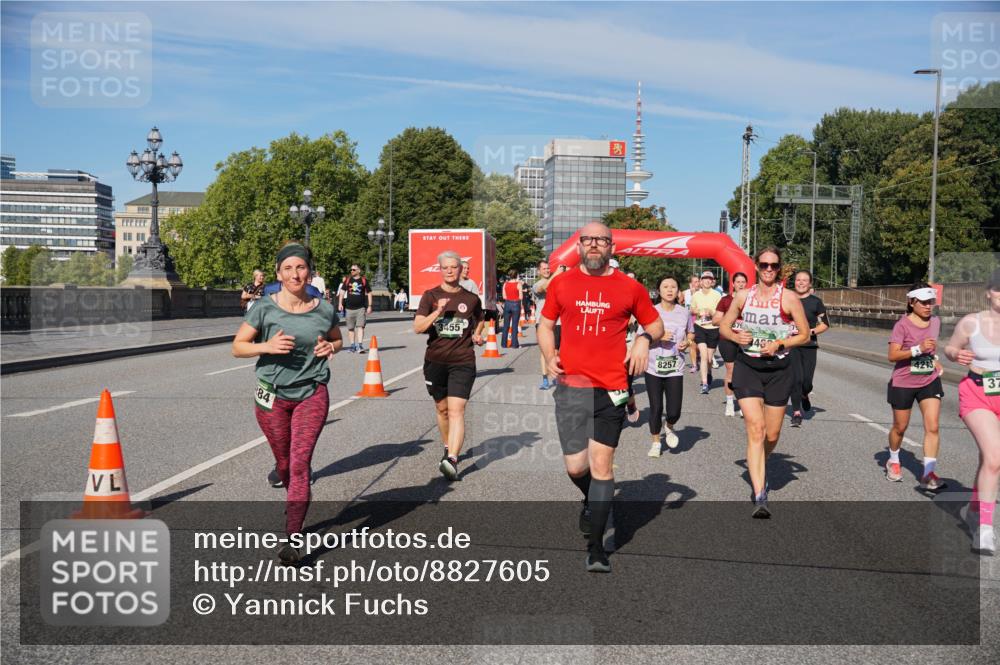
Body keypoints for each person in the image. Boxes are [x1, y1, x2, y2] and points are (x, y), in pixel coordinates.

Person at [538, 221, 663, 573]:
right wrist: (549, 357)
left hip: (613, 388)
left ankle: (597, 548)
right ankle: (590, 500)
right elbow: (545, 325)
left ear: (612, 246)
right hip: (571, 386)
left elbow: (656, 326)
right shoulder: (561, 283)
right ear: (579, 246)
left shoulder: (630, 287)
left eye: (602, 240)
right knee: (576, 466)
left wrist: (641, 339)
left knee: (603, 465)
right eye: (588, 240)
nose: (594, 245)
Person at [232, 242, 341, 564]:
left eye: (301, 267)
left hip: (312, 392)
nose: (295, 274)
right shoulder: (263, 308)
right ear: (278, 274)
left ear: (310, 271)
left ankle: (293, 537)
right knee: (284, 463)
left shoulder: (323, 308)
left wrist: (330, 347)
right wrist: (266, 346)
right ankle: (284, 478)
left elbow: (337, 338)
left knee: (299, 464)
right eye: (288, 268)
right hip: (271, 396)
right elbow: (238, 347)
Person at [720, 247, 809, 518]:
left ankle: (761, 459)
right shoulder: (743, 296)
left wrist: (781, 342)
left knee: (771, 435)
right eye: (764, 265)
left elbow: (804, 335)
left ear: (779, 268)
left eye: (773, 265)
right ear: (756, 267)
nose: (768, 269)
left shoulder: (790, 298)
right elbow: (724, 326)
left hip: (779, 370)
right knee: (755, 429)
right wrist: (737, 338)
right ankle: (760, 494)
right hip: (748, 367)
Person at [413, 250, 485, 481]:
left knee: (457, 410)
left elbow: (481, 319)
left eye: (455, 267)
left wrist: (477, 334)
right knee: (442, 408)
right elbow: (418, 327)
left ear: (461, 269)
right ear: (440, 269)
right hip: (435, 360)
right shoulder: (430, 295)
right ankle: (447, 445)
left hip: (463, 360)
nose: (450, 270)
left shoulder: (471, 299)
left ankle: (452, 458)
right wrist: (437, 311)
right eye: (446, 267)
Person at [944, 270, 1000, 555]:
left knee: (989, 461)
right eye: (999, 289)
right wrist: (956, 354)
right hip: (977, 393)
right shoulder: (972, 322)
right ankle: (985, 529)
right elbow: (951, 348)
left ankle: (973, 510)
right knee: (994, 457)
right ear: (989, 292)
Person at [884, 283, 946, 490]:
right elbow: (893, 355)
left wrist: (934, 359)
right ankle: (893, 460)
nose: (929, 307)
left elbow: (930, 350)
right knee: (900, 428)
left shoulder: (935, 322)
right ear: (912, 302)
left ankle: (928, 473)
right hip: (903, 381)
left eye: (931, 302)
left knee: (933, 426)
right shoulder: (902, 325)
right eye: (924, 303)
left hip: (929, 379)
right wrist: (917, 349)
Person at [644, 276, 693, 457]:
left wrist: (687, 342)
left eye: (673, 286)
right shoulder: (650, 311)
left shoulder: (684, 312)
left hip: (675, 367)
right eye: (665, 287)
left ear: (678, 291)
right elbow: (641, 337)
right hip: (653, 367)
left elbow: (691, 333)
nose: (670, 290)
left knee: (674, 411)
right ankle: (656, 442)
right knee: (656, 407)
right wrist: (658, 337)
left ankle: (669, 425)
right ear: (659, 291)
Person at [789, 270, 829, 427]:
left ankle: (805, 395)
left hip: (809, 345)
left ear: (810, 283)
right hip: (791, 344)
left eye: (804, 280)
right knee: (796, 379)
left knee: (807, 382)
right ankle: (796, 412)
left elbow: (825, 324)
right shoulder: (787, 299)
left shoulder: (816, 302)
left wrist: (809, 331)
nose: (800, 282)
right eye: (798, 280)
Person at [713, 271, 748, 417]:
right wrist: (730, 320)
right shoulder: (725, 300)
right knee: (731, 372)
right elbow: (715, 320)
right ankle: (729, 402)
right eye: (738, 282)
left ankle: (742, 403)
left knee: (745, 373)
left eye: (743, 282)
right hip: (728, 339)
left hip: (746, 340)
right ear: (733, 284)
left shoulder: (751, 300)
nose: (740, 284)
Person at [691, 270, 722, 394]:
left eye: (710, 279)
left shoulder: (717, 295)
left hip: (713, 328)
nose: (707, 281)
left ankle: (709, 372)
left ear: (712, 281)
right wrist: (698, 312)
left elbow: (720, 312)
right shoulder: (696, 295)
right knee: (703, 356)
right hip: (700, 327)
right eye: (705, 279)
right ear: (701, 281)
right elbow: (691, 309)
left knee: (709, 359)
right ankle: (704, 383)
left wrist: (712, 312)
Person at [533, 261, 560, 390]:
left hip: (559, 321)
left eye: (548, 268)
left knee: (557, 351)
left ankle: (556, 376)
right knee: (545, 352)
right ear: (539, 271)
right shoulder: (537, 284)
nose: (547, 270)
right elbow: (544, 287)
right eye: (543, 268)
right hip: (542, 321)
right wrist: (557, 274)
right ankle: (545, 379)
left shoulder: (557, 281)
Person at [339, 264, 373, 353]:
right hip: (349, 308)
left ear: (359, 271)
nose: (352, 271)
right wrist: (340, 303)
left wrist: (370, 306)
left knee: (360, 327)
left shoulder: (364, 280)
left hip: (360, 308)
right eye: (351, 269)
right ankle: (352, 346)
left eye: (354, 269)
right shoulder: (348, 280)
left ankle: (360, 346)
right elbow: (342, 292)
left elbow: (369, 293)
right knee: (350, 328)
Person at [682, 274, 701, 373]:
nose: (697, 284)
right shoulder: (685, 293)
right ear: (690, 283)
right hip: (689, 321)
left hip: (701, 321)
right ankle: (694, 364)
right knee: (691, 343)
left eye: (698, 281)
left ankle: (698, 356)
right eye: (695, 282)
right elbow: (678, 302)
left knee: (699, 344)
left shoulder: (702, 293)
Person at [500, 269, 523, 350]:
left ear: (509, 276)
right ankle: (514, 344)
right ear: (516, 275)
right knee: (514, 325)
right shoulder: (518, 284)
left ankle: (504, 344)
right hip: (516, 304)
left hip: (507, 304)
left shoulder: (505, 284)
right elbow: (521, 297)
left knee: (506, 325)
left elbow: (504, 296)